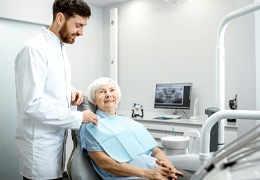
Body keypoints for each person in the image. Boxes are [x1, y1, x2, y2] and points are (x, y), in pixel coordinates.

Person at [14, 0, 98, 179]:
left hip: (57, 148)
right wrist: (78, 117)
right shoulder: (34, 49)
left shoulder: (59, 48)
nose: (81, 32)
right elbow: (32, 104)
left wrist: (70, 90)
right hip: (40, 152)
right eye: (78, 25)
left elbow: (49, 83)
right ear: (60, 17)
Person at [80, 77, 192, 180]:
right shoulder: (91, 126)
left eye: (112, 90)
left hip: (154, 169)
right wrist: (147, 173)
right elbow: (104, 163)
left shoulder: (129, 122)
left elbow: (155, 150)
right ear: (94, 101)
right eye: (102, 92)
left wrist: (169, 165)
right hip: (133, 176)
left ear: (118, 97)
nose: (108, 94)